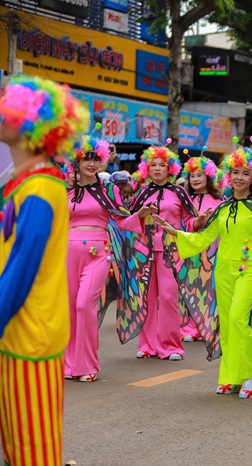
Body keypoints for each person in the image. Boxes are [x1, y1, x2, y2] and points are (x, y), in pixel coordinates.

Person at [155, 147, 252, 397]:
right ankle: (231, 376)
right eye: (235, 172)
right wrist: (174, 232)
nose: (239, 177)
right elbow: (204, 238)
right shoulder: (223, 206)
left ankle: (249, 375)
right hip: (224, 271)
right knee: (228, 323)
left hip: (250, 269)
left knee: (239, 320)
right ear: (229, 176)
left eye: (245, 173)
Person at [0, 76, 89, 465]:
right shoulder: (24, 185)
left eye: (12, 111)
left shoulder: (40, 189)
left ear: (30, 129)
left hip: (29, 339)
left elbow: (20, 273)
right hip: (16, 335)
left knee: (33, 453)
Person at [64, 136, 151, 382]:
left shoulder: (108, 190)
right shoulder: (66, 190)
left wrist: (140, 215)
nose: (92, 163)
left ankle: (87, 365)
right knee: (70, 309)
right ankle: (69, 365)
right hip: (68, 253)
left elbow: (122, 219)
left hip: (98, 253)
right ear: (77, 161)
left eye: (96, 158)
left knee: (84, 306)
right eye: (86, 159)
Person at [129, 146, 209, 360]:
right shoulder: (142, 192)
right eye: (152, 165)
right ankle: (147, 345)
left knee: (167, 296)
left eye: (161, 165)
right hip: (145, 251)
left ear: (170, 168)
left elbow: (190, 220)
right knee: (147, 298)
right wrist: (139, 215)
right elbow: (129, 220)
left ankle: (171, 346)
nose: (157, 169)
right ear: (147, 169)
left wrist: (199, 221)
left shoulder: (179, 192)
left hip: (170, 251)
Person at [179, 156, 224, 342]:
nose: (195, 179)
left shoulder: (219, 200)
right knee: (190, 287)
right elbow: (183, 223)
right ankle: (189, 327)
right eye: (192, 176)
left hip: (212, 250)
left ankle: (208, 326)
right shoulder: (185, 200)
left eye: (199, 175)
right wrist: (197, 222)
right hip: (191, 249)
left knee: (209, 289)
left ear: (208, 177)